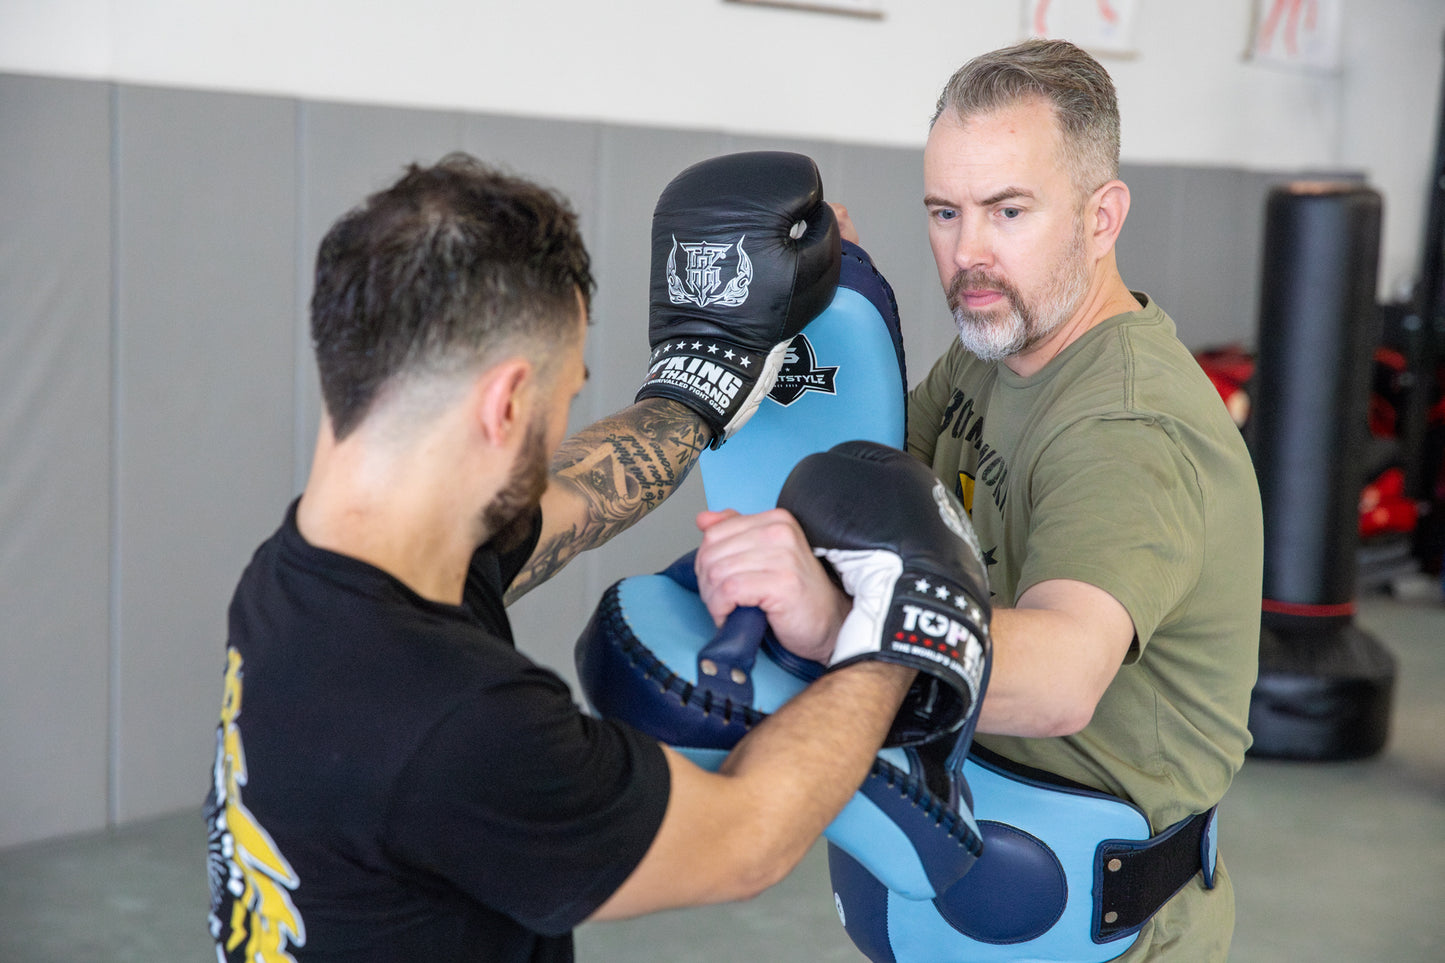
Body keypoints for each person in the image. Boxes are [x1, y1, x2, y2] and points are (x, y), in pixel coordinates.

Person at [203, 151, 971, 962]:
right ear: (503, 404)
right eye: (565, 396)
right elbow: (746, 840)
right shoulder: (458, 724)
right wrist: (893, 631)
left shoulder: (298, 577)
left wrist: (690, 397)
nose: (563, 428)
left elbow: (566, 495)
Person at [695, 39, 1264, 961]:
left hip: (1100, 929)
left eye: (1009, 210)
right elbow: (879, 482)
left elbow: (1061, 678)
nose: (968, 254)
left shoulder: (1127, 427)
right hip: (966, 865)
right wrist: (820, 321)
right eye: (944, 212)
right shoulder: (997, 345)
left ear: (1100, 216)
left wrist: (831, 617)